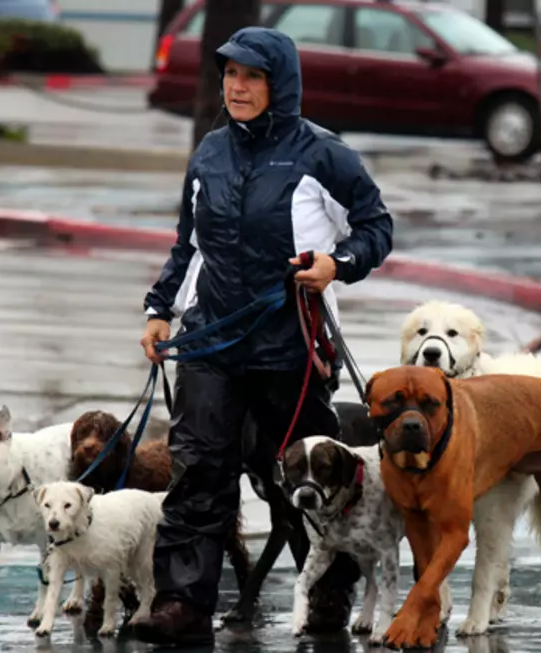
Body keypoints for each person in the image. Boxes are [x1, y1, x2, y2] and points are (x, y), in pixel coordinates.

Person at [131, 25, 394, 647]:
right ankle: (182, 606)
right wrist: (158, 308)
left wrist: (339, 264)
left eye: (251, 76)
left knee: (306, 476)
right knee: (197, 470)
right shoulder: (209, 153)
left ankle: (329, 597)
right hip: (210, 343)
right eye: (229, 75)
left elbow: (376, 227)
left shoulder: (323, 155)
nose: (238, 87)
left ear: (280, 84)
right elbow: (187, 245)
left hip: (292, 349)